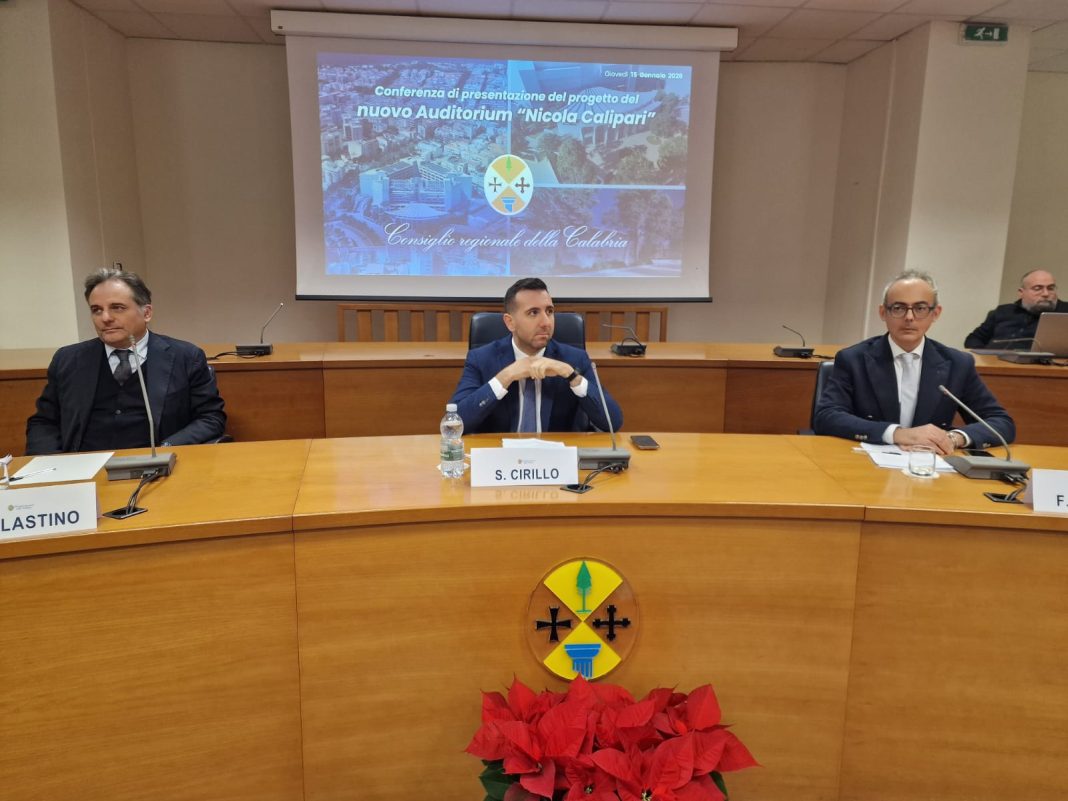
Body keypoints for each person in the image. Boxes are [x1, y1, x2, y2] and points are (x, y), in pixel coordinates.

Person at [25, 268, 226, 454]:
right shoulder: (68, 360)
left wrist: (167, 449)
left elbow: (210, 417)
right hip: (85, 466)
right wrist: (54, 465)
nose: (105, 318)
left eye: (117, 308)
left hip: (157, 465)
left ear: (146, 313)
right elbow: (44, 422)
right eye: (97, 310)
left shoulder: (186, 357)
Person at [814, 270, 1013, 454]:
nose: (909, 317)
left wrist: (953, 438)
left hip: (930, 466)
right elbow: (827, 416)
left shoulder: (957, 364)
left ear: (935, 313)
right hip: (865, 462)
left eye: (920, 308)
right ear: (883, 312)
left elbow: (1001, 422)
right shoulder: (853, 359)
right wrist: (897, 434)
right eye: (899, 308)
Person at [449, 277, 623, 434]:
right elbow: (455, 424)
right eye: (533, 313)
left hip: (556, 453)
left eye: (549, 311)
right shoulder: (481, 359)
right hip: (501, 454)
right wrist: (506, 376)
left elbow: (613, 423)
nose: (546, 322)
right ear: (510, 322)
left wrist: (571, 376)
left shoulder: (574, 359)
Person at [964, 269, 1066, 349]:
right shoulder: (1003, 311)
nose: (1046, 294)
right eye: (1037, 288)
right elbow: (974, 339)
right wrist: (985, 357)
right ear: (1021, 293)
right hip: (994, 364)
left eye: (1051, 288)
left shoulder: (1065, 312)